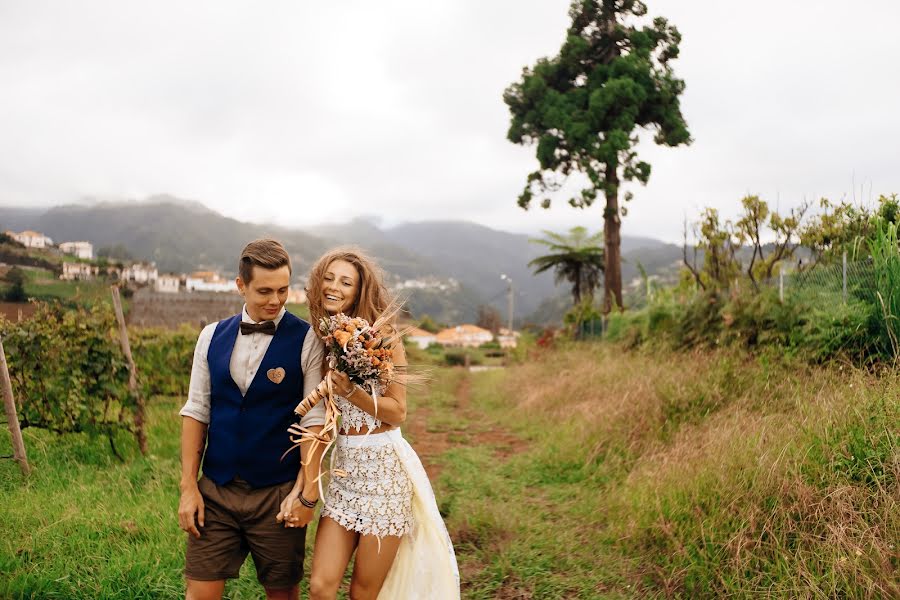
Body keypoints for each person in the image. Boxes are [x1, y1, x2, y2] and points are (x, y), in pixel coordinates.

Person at [286, 247, 459, 600]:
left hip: (385, 474)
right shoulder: (320, 339)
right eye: (329, 279)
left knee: (363, 593)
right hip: (345, 473)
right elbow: (322, 419)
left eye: (345, 282)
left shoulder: (383, 337)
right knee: (320, 587)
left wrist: (353, 393)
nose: (334, 287)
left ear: (359, 289)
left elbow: (398, 412)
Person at [178, 238, 327, 600]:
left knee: (282, 592)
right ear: (240, 285)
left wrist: (306, 495)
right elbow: (197, 410)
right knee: (199, 593)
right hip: (216, 488)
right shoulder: (210, 337)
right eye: (263, 291)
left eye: (282, 290)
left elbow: (315, 421)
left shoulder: (308, 339)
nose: (275, 301)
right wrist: (188, 487)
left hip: (276, 493)